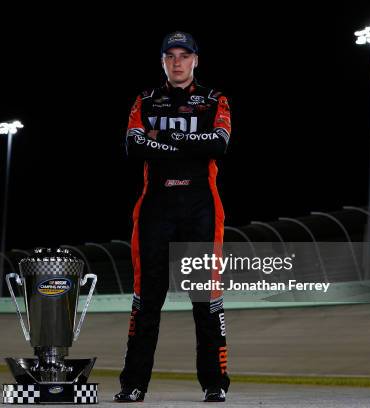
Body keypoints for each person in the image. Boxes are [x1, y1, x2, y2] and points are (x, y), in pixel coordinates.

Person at [114, 31, 232, 403]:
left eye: (184, 55)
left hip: (201, 208)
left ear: (196, 60)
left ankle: (215, 383)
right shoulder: (145, 99)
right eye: (171, 56)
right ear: (162, 61)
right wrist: (186, 144)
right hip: (155, 208)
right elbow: (134, 145)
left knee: (206, 297)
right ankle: (133, 385)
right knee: (146, 299)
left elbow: (220, 143)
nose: (177, 61)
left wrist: (162, 140)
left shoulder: (215, 99)